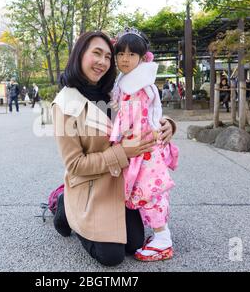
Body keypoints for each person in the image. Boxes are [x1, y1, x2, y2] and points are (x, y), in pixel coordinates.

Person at [51, 31, 176, 266]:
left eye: (108, 56)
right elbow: (75, 165)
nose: (103, 62)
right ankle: (63, 206)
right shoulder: (65, 105)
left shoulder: (115, 91)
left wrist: (168, 125)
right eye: (96, 54)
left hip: (121, 184)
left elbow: (144, 114)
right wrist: (123, 153)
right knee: (111, 258)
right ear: (79, 55)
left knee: (135, 244)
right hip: (90, 187)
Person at [110, 27, 178, 262]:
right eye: (120, 54)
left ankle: (163, 240)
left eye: (131, 54)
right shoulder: (131, 81)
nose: (124, 59)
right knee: (147, 192)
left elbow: (135, 119)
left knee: (149, 193)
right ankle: (160, 236)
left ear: (142, 58)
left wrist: (120, 140)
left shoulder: (137, 85)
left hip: (143, 148)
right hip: (143, 146)